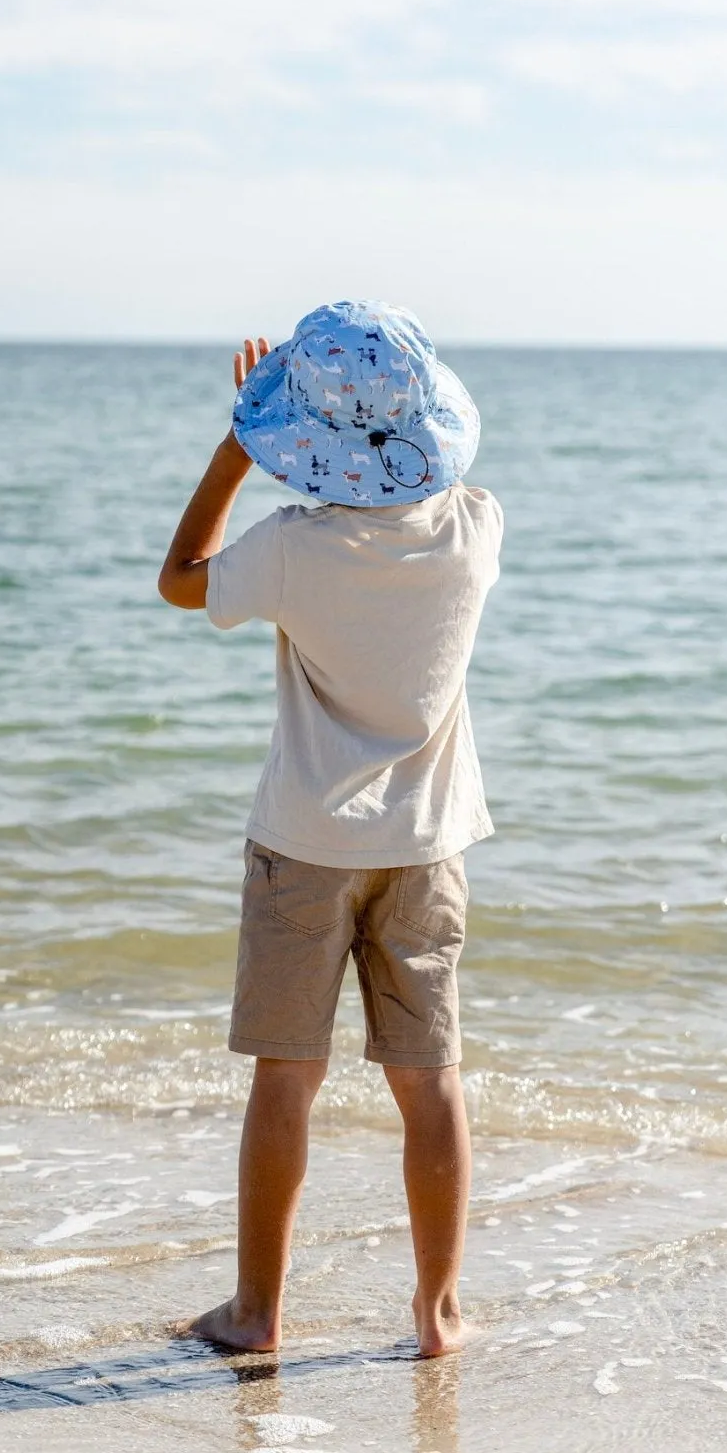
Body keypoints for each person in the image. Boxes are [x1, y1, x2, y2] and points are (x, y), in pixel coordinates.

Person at [157, 300, 502, 1357]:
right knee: (428, 1076)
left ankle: (257, 1310)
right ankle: (436, 1311)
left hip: (305, 842)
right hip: (426, 843)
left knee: (285, 1074)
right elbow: (427, 471)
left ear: (302, 444)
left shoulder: (292, 549)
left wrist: (237, 442)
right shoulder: (471, 529)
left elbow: (181, 580)